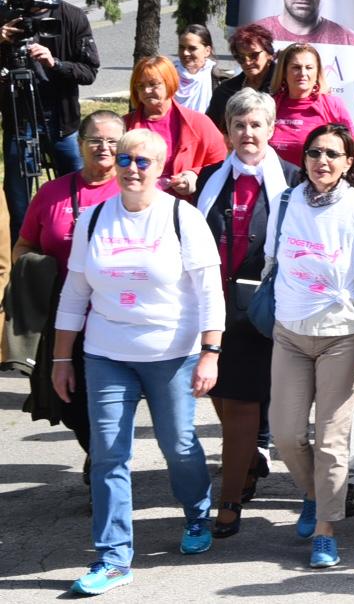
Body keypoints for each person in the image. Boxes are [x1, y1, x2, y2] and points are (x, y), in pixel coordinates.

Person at [51, 128, 224, 594]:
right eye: (125, 159)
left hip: (172, 353)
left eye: (143, 161)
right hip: (106, 353)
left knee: (178, 445)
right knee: (109, 454)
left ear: (161, 168)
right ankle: (112, 556)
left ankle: (195, 511)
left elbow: (210, 293)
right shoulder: (93, 218)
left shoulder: (182, 218)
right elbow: (75, 294)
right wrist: (61, 357)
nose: (131, 168)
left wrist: (210, 352)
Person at [268, 122, 354, 569]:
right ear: (304, 159)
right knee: (284, 433)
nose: (322, 161)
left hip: (343, 336)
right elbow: (272, 260)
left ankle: (325, 529)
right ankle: (317, 494)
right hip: (290, 333)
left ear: (347, 163)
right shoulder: (285, 202)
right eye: (315, 153)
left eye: (333, 155)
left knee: (332, 440)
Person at [192, 88, 297, 538]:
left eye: (256, 125)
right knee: (223, 400)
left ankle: (229, 499)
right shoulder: (210, 178)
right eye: (239, 125)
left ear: (271, 130)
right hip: (212, 308)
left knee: (240, 405)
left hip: (261, 310)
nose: (248, 133)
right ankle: (249, 460)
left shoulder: (292, 179)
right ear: (228, 131)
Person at [14, 111, 123, 474]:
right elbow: (25, 244)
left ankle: (105, 466)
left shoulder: (133, 189)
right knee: (72, 401)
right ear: (80, 145)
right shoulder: (52, 192)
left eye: (112, 141)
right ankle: (96, 449)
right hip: (65, 314)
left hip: (117, 315)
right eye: (95, 140)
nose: (103, 147)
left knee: (106, 398)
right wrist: (35, 273)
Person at [0, 0, 99, 238]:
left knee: (78, 194)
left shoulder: (72, 17)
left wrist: (55, 63)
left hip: (61, 122)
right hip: (20, 121)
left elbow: (89, 72)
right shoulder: (3, 16)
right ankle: (25, 266)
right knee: (19, 202)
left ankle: (76, 247)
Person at [124, 55, 228, 199]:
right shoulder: (124, 126)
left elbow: (222, 162)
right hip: (135, 204)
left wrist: (193, 176)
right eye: (141, 86)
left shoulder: (198, 123)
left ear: (170, 83)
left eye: (154, 84)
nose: (147, 90)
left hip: (184, 207)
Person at [267, 44, 354, 165]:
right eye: (296, 67)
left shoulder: (332, 105)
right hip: (272, 181)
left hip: (316, 181)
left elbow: (352, 148)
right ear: (284, 72)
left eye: (309, 68)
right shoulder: (269, 105)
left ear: (317, 71)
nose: (303, 73)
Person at [207, 23, 277, 130]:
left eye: (253, 55)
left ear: (269, 53)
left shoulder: (284, 86)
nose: (247, 62)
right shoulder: (224, 91)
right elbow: (210, 130)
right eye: (241, 57)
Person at [174, 25, 217, 114]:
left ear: (207, 51)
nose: (185, 53)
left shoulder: (218, 80)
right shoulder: (167, 75)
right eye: (181, 47)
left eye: (192, 48)